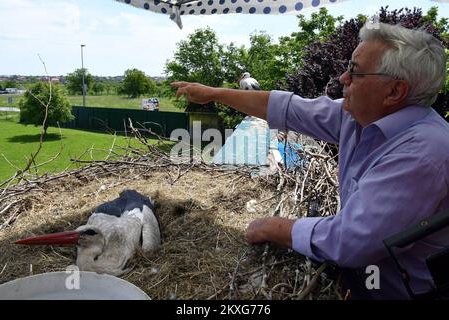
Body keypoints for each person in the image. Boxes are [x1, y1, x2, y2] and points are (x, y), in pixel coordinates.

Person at [171, 22, 449, 300]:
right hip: (372, 280)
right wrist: (212, 94)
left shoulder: (422, 154)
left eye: (355, 71)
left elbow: (351, 240)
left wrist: (275, 227)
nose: (343, 78)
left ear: (394, 91)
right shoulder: (360, 116)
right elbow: (287, 108)